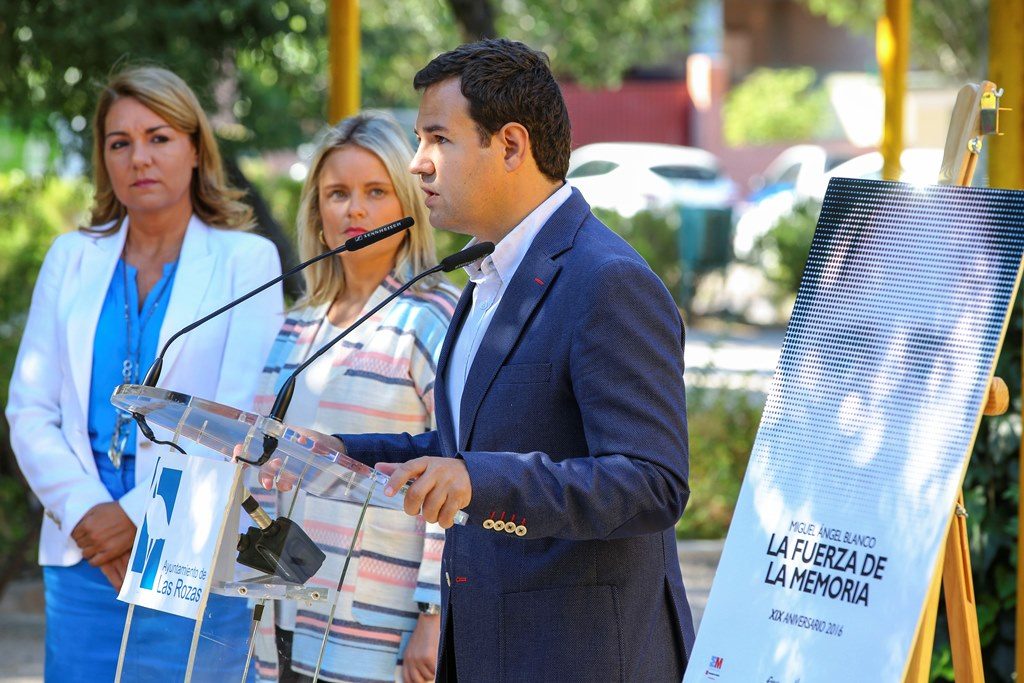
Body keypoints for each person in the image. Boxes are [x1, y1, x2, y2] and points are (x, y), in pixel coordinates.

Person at [280, 38, 697, 681]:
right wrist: (338, 449)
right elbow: (464, 445)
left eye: (437, 140)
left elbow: (651, 482)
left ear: (510, 145)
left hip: (576, 660)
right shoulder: (489, 273)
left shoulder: (606, 280)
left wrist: (482, 481)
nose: (417, 164)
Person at [5, 66, 284, 681]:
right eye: (120, 142)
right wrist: (87, 513)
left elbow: (239, 417)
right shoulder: (71, 257)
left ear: (194, 149)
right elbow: (30, 408)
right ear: (103, 158)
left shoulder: (247, 261)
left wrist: (136, 517)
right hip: (83, 551)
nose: (140, 158)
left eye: (159, 137)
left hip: (188, 544)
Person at [249, 111, 458, 683]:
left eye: (375, 191)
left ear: (409, 206)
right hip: (282, 609)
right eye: (337, 193)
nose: (355, 210)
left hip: (381, 622)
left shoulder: (435, 318)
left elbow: (457, 468)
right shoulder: (294, 328)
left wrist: (435, 617)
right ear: (316, 213)